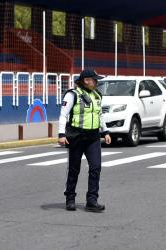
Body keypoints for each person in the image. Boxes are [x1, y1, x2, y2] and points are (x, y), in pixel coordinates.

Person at [58, 69, 111, 212]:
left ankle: (92, 200)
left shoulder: (97, 95)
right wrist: (61, 134)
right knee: (74, 169)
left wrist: (105, 131)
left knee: (96, 167)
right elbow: (63, 115)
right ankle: (70, 198)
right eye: (94, 80)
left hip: (93, 137)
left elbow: (99, 114)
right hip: (77, 136)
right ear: (86, 80)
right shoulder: (72, 95)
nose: (97, 82)